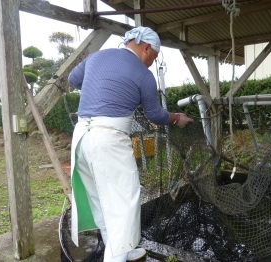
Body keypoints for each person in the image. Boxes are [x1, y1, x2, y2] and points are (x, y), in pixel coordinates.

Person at [68, 26, 194, 262]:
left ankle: (122, 249)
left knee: (101, 200)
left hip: (81, 138)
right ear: (147, 48)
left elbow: (73, 79)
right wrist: (177, 118)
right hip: (108, 139)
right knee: (124, 203)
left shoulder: (97, 57)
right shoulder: (143, 74)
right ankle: (116, 257)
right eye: (153, 58)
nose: (150, 64)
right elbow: (155, 115)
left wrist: (102, 87)